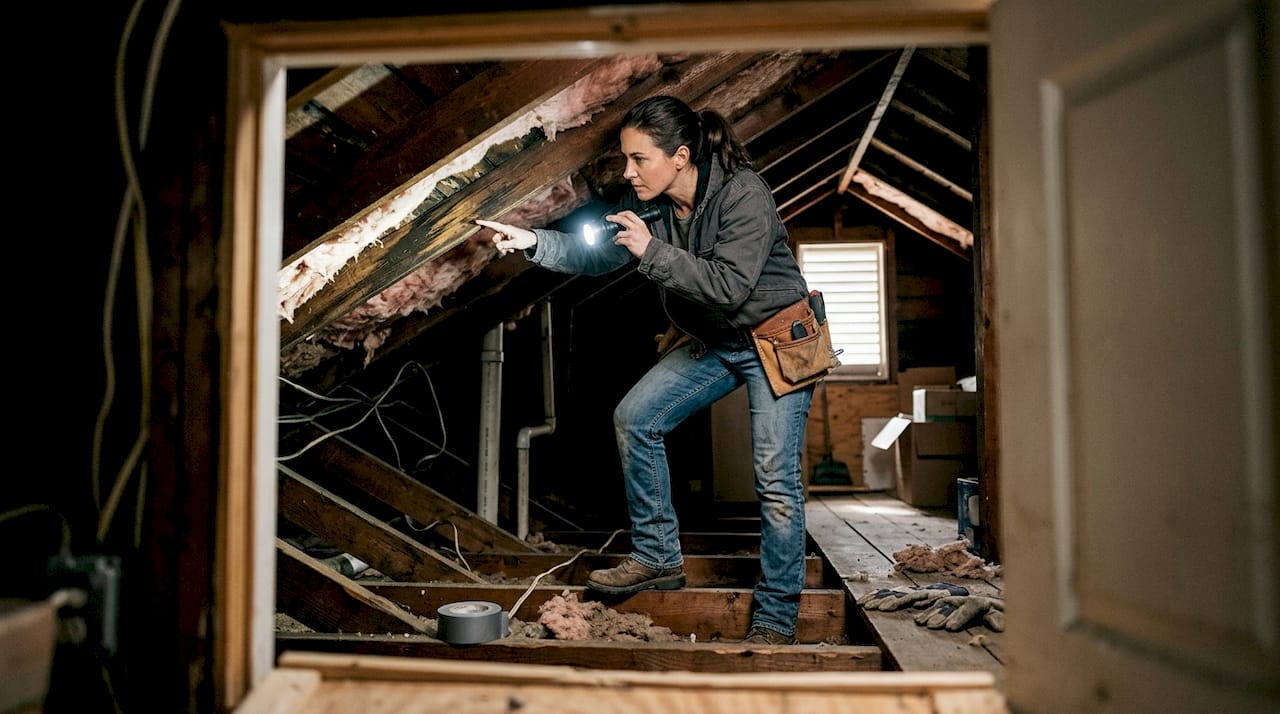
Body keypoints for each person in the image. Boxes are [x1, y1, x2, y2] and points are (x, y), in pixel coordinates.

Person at [476, 95, 814, 646]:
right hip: (718, 338)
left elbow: (730, 285)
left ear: (680, 157)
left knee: (775, 481)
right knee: (636, 417)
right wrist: (534, 240)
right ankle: (658, 554)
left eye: (640, 160)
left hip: (778, 340)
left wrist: (652, 250)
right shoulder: (652, 204)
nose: (629, 172)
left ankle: (777, 614)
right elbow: (597, 253)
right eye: (626, 160)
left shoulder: (742, 194)